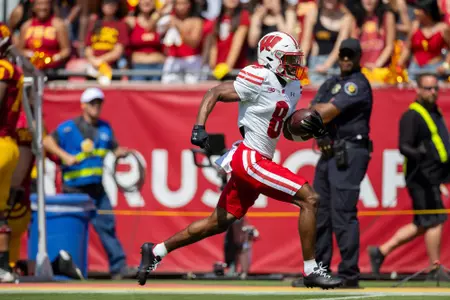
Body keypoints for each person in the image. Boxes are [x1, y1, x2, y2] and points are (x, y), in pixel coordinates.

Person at [137, 31, 343, 289]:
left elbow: (287, 131)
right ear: (271, 58)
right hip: (250, 159)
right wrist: (199, 126)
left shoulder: (292, 86)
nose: (295, 65)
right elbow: (215, 92)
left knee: (217, 223)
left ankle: (156, 251)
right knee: (309, 198)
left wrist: (309, 129)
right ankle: (311, 269)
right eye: (289, 59)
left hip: (258, 159)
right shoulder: (259, 76)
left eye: (295, 59)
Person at [292, 38, 373, 288]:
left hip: (350, 152)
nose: (346, 60)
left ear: (359, 57)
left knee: (343, 214)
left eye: (351, 55)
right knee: (320, 212)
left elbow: (324, 112)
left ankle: (349, 274)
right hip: (329, 151)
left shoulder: (357, 84)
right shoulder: (331, 82)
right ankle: (321, 270)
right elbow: (312, 110)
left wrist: (319, 114)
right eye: (343, 55)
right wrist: (322, 131)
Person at [43, 88, 135, 280]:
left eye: (99, 103)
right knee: (71, 228)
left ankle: (119, 268)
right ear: (83, 105)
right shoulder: (69, 128)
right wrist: (65, 156)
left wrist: (119, 152)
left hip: (96, 188)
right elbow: (47, 142)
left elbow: (113, 148)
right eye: (92, 103)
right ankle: (67, 268)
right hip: (73, 189)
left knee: (107, 226)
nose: (97, 107)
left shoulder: (105, 128)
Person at [368, 73, 449, 279]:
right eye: (428, 88)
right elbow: (404, 146)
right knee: (435, 220)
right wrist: (419, 154)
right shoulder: (412, 115)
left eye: (435, 89)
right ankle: (434, 268)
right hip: (421, 176)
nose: (433, 92)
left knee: (423, 223)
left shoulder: (434, 112)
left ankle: (380, 251)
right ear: (418, 90)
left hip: (433, 176)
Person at [0, 24, 25, 283]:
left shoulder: (4, 68)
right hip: (8, 145)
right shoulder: (12, 67)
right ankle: (4, 267)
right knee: (1, 213)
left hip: (1, 143)